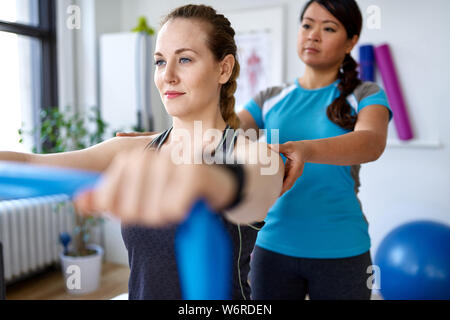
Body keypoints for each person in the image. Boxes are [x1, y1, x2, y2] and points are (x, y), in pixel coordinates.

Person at [0, 4, 284, 300]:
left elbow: (261, 178)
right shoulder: (135, 148)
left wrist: (211, 180)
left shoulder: (248, 153)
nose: (168, 76)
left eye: (185, 59)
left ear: (223, 68)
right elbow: (32, 163)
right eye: (160, 62)